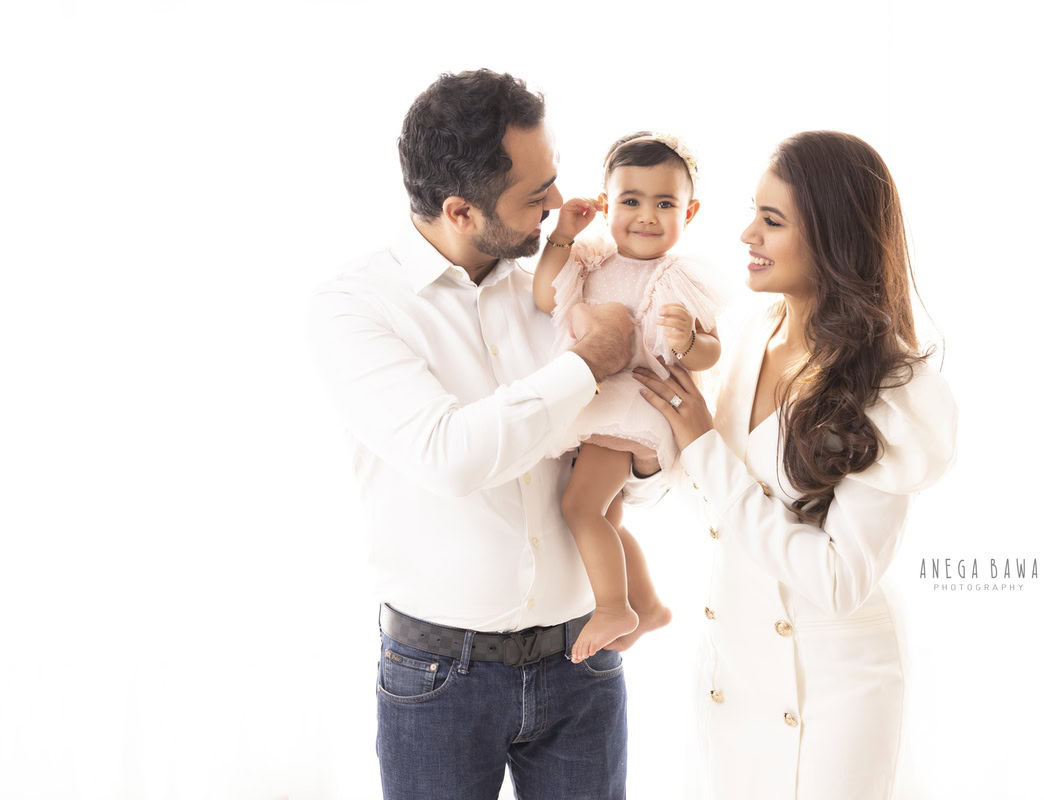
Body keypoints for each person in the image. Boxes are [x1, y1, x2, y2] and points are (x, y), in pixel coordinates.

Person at [306, 69, 667, 800]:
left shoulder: (563, 281)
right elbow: (452, 457)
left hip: (581, 662)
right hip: (438, 679)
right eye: (536, 198)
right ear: (461, 210)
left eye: (554, 180)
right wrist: (584, 366)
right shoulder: (355, 308)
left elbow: (620, 444)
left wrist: (642, 460)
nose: (559, 207)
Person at [634, 131, 958, 799]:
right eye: (753, 211)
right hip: (734, 666)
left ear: (835, 238)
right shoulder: (748, 334)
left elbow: (837, 580)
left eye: (772, 221)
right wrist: (643, 455)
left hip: (836, 685)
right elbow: (716, 503)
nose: (746, 232)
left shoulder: (889, 387)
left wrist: (700, 446)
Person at [532, 131, 722, 663]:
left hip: (631, 402)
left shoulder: (677, 275)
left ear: (692, 210)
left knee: (578, 505)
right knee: (607, 520)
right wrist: (563, 236)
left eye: (665, 204)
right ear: (605, 203)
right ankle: (647, 603)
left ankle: (614, 606)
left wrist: (688, 340)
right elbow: (545, 293)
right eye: (631, 201)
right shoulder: (593, 260)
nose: (646, 216)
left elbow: (711, 350)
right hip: (598, 400)